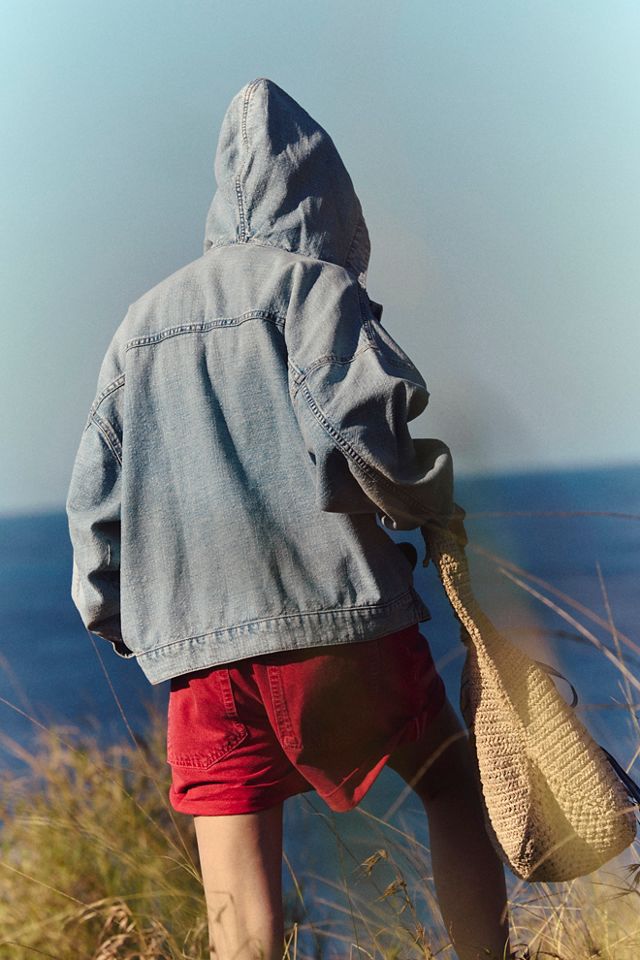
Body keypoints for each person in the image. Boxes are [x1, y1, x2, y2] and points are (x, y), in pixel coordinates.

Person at [65, 78, 511, 960]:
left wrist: (124, 618)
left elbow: (95, 502)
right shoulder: (311, 289)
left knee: (240, 906)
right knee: (452, 785)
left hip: (199, 657)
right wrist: (433, 508)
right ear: (327, 194)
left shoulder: (138, 325)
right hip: (337, 623)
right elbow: (363, 437)